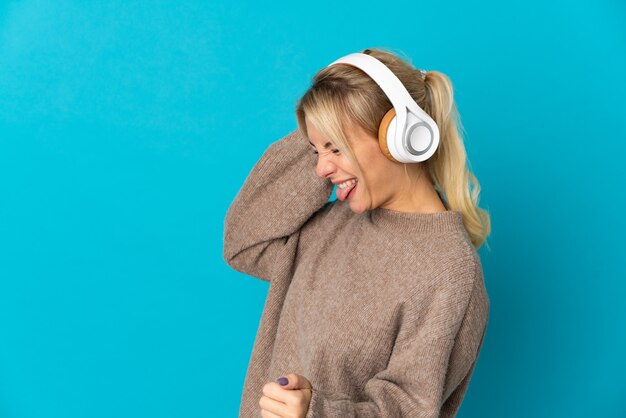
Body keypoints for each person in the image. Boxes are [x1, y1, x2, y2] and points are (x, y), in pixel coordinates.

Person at [223, 47, 491, 417]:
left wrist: (314, 413)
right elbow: (243, 242)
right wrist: (318, 134)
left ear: (398, 137)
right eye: (316, 151)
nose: (320, 169)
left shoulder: (449, 270)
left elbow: (409, 409)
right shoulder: (327, 226)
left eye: (336, 147)